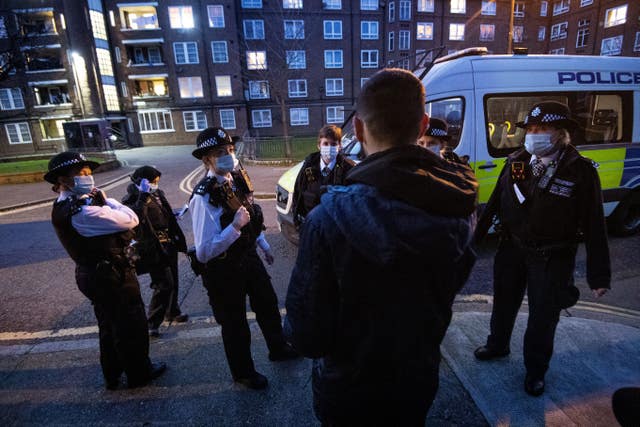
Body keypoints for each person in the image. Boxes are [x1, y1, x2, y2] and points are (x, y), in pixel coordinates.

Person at [284, 69, 478, 425]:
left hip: (348, 389)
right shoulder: (460, 205)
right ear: (422, 126)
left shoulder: (328, 219)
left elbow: (306, 335)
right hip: (415, 380)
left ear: (358, 129)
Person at [473, 101, 611, 397]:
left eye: (542, 129)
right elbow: (496, 202)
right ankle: (497, 345)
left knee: (543, 317)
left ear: (560, 133)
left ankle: (535, 370)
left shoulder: (580, 171)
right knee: (504, 302)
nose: (534, 134)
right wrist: (473, 244)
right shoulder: (518, 162)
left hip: (552, 256)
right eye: (531, 129)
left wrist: (598, 275)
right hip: (512, 248)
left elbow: (595, 224)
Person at [45, 152, 166, 390]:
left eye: (89, 173)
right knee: (131, 325)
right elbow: (130, 219)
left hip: (95, 274)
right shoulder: (81, 211)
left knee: (109, 325)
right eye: (80, 174)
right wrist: (108, 200)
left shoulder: (68, 205)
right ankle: (139, 373)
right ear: (62, 180)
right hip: (110, 275)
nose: (88, 178)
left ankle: (112, 373)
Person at [189, 127, 298, 390]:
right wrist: (234, 228)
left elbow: (251, 217)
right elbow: (204, 251)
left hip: (248, 257)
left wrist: (262, 244)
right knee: (235, 324)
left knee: (268, 304)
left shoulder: (236, 179)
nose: (228, 155)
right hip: (223, 269)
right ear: (207, 160)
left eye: (229, 150)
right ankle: (243, 373)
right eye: (219, 153)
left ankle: (278, 348)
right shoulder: (204, 197)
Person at [122, 166, 188, 338]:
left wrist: (172, 216)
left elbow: (162, 213)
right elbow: (137, 218)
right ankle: (152, 322)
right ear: (141, 182)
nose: (155, 185)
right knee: (164, 283)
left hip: (168, 242)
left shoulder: (158, 194)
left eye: (157, 181)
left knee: (173, 278)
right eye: (152, 182)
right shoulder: (132, 198)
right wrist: (143, 195)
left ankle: (172, 311)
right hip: (151, 246)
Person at [291, 125, 355, 228]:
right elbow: (298, 195)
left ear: (339, 146)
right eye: (325, 143)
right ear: (319, 146)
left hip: (337, 232)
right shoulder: (308, 165)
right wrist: (299, 226)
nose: (329, 147)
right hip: (312, 228)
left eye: (333, 144)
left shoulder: (349, 169)